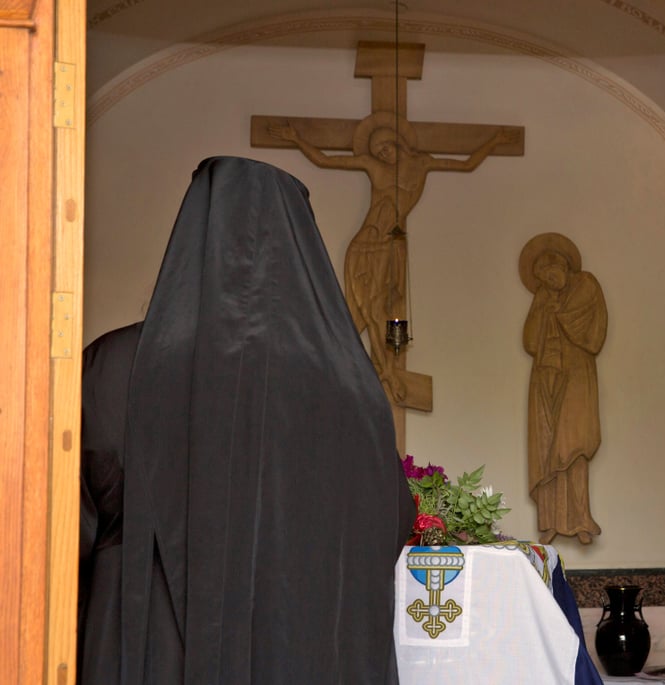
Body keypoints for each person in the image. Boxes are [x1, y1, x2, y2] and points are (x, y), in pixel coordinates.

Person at [77, 156, 417, 684]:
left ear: (190, 246)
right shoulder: (351, 389)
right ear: (302, 253)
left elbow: (67, 519)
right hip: (302, 642)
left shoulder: (114, 364)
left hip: (144, 641)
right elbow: (389, 520)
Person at [268, 116, 517, 404]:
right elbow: (325, 160)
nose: (384, 155)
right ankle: (385, 374)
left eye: (386, 148)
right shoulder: (374, 168)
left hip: (392, 246)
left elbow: (467, 163)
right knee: (371, 312)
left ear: (398, 143)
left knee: (368, 314)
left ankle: (338, 369)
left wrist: (495, 141)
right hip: (366, 246)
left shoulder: (422, 163)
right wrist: (296, 139)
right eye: (378, 152)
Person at [520, 232, 607, 545]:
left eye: (550, 271)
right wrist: (543, 310)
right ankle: (552, 520)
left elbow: (590, 328)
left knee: (573, 444)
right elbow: (530, 341)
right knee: (546, 448)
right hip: (545, 376)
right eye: (541, 276)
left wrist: (558, 313)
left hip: (576, 372)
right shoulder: (543, 297)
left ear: (562, 265)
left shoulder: (585, 284)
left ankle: (580, 518)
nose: (546, 279)